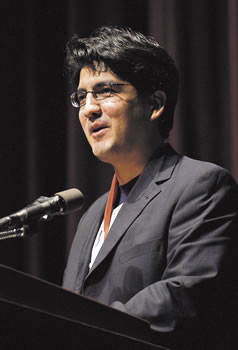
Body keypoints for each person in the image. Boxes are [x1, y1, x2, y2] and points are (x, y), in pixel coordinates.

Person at [62, 25, 238, 349]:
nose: (88, 108)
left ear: (155, 104)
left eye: (104, 91)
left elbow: (183, 294)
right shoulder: (89, 218)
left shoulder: (201, 186)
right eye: (81, 97)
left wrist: (88, 332)